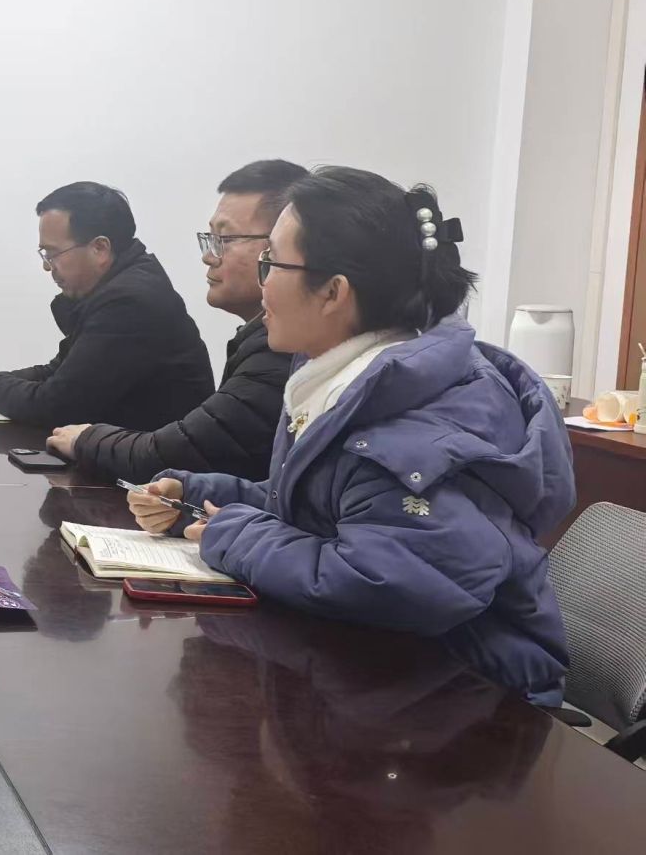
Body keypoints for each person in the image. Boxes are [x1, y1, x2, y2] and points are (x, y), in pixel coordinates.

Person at [128, 166, 571, 704]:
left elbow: (391, 582)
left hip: (471, 703)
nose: (261, 282)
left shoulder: (417, 421)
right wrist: (198, 497)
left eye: (271, 262)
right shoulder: (353, 381)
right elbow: (322, 510)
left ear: (333, 292)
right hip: (386, 678)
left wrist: (236, 536)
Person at [46, 160, 304, 480]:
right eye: (210, 238)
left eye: (224, 239)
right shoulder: (258, 340)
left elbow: (186, 451)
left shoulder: (283, 351)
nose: (209, 256)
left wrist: (86, 439)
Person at [0, 182, 213, 429]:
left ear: (100, 248)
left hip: (155, 474)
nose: (48, 267)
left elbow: (57, 404)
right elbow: (57, 374)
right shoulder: (114, 289)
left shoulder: (131, 302)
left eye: (53, 254)